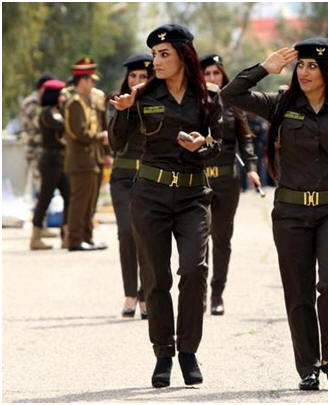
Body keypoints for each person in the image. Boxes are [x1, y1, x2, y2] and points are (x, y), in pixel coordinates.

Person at [221, 38, 328, 391]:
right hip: (291, 212)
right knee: (298, 291)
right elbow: (231, 94)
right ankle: (308, 366)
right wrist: (264, 68)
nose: (304, 72)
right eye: (301, 65)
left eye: (312, 65)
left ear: (327, 70)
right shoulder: (281, 104)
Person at [109, 24, 223, 388]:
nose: (156, 62)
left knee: (194, 270)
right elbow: (116, 143)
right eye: (154, 55)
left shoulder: (209, 97)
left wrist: (203, 146)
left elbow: (218, 146)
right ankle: (163, 353)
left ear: (183, 57)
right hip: (150, 197)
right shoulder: (142, 95)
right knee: (156, 278)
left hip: (193, 197)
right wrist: (123, 112)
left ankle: (188, 350)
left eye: (163, 55)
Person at [199, 53, 261, 316]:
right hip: (199, 179)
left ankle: (217, 294)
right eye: (207, 73)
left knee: (222, 239)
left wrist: (253, 169)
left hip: (227, 180)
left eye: (216, 73)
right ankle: (199, 293)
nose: (212, 77)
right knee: (198, 238)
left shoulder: (232, 103)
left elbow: (245, 139)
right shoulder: (192, 102)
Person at [108, 54, 154, 319]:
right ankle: (130, 293)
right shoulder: (117, 102)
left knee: (147, 236)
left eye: (143, 77)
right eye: (132, 76)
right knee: (126, 232)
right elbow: (115, 143)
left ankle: (146, 294)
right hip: (123, 177)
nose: (137, 81)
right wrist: (123, 111)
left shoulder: (159, 102)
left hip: (150, 177)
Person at [63, 58, 108, 251]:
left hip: (92, 159)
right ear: (82, 80)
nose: (93, 84)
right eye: (91, 80)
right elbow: (79, 132)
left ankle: (87, 238)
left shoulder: (87, 101)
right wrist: (100, 136)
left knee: (90, 203)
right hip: (81, 160)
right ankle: (74, 240)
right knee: (80, 202)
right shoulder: (75, 103)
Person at [29, 79, 71, 250]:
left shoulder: (59, 111)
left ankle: (66, 236)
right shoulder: (46, 114)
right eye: (60, 94)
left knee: (69, 196)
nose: (63, 97)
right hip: (50, 160)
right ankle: (36, 237)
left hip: (62, 160)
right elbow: (62, 127)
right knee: (45, 198)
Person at [21, 73, 59, 238]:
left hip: (41, 149)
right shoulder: (32, 103)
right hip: (36, 150)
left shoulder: (39, 103)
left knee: (43, 189)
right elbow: (38, 124)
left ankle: (41, 224)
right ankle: (39, 226)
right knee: (42, 189)